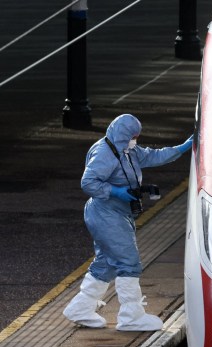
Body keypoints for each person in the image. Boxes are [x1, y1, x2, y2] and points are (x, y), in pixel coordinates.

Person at [63, 114, 193, 331]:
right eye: (133, 136)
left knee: (106, 263)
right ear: (124, 134)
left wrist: (181, 148)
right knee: (128, 262)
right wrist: (114, 191)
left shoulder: (128, 150)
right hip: (106, 214)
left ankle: (80, 308)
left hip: (115, 214)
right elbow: (88, 182)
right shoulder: (105, 153)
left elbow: (153, 156)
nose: (136, 140)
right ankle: (131, 316)